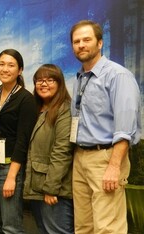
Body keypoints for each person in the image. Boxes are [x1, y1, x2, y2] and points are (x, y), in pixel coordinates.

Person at [70, 20, 141, 233]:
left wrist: (114, 166)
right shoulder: (80, 78)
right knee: (84, 227)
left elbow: (125, 128)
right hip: (81, 156)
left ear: (100, 43)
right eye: (76, 41)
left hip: (106, 158)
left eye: (86, 40)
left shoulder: (117, 75)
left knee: (108, 228)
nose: (81, 45)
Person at [0, 49, 38, 233]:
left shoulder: (26, 99)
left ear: (20, 70)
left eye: (11, 65)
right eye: (2, 64)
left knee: (11, 227)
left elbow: (23, 141)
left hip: (9, 169)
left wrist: (12, 177)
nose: (5, 69)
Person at [23, 64, 74, 234]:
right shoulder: (37, 109)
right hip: (37, 187)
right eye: (39, 80)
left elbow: (62, 151)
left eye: (50, 80)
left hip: (54, 190)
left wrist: (51, 189)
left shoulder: (64, 109)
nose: (43, 84)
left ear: (60, 83)